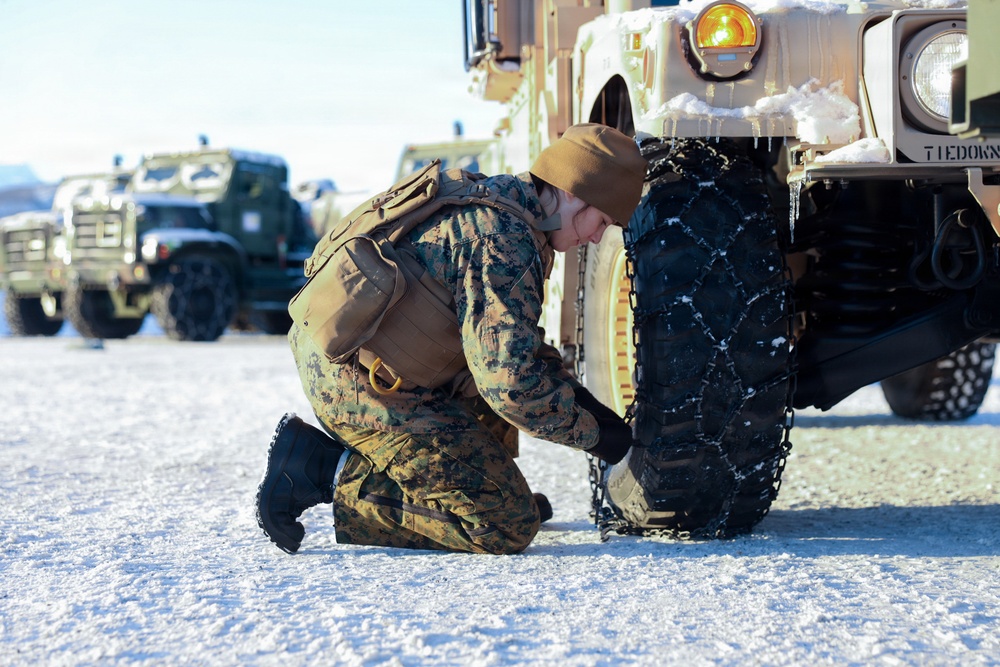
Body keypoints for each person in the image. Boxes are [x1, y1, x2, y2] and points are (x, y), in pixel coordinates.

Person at [256, 123, 647, 555]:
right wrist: (602, 438)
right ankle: (320, 468)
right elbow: (511, 386)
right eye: (601, 221)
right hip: (363, 387)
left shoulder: (500, 204)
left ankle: (474, 490)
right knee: (506, 526)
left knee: (501, 380)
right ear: (573, 189)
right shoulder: (505, 238)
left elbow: (514, 348)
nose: (595, 237)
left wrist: (592, 411)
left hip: (356, 360)